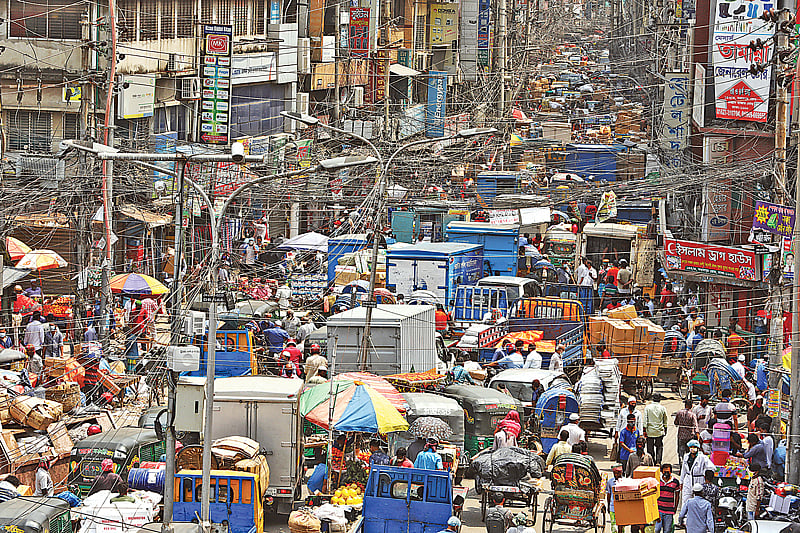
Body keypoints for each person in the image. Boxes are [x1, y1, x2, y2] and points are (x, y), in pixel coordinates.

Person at [679, 440, 715, 514]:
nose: (693, 448)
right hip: (688, 480)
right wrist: (681, 482)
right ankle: (684, 518)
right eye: (691, 447)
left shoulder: (702, 457)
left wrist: (705, 475)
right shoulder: (686, 457)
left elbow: (712, 468)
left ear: (698, 448)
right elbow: (683, 470)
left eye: (694, 447)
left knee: (698, 501)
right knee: (686, 499)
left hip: (699, 480)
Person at [674, 399, 699, 469]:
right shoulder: (692, 415)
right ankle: (688, 467)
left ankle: (682, 467)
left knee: (681, 453)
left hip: (681, 436)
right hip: (689, 437)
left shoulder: (679, 413)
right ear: (691, 406)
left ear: (685, 405)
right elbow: (695, 426)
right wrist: (697, 435)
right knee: (689, 453)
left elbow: (676, 422)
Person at [656, 463, 680, 533]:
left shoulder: (675, 482)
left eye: (668, 472)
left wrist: (675, 507)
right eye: (664, 472)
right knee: (657, 529)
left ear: (671, 472)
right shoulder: (657, 480)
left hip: (669, 510)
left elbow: (677, 495)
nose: (666, 473)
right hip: (659, 509)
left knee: (667, 531)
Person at [643, 394, 668, 464]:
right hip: (659, 431)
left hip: (650, 431)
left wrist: (644, 430)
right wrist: (665, 428)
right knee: (659, 446)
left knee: (650, 448)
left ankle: (651, 461)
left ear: (652, 399)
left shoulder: (647, 408)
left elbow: (645, 420)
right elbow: (665, 419)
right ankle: (658, 461)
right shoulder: (662, 408)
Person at [607, 466, 623, 533]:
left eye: (618, 473)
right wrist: (608, 506)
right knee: (614, 528)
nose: (616, 475)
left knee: (622, 527)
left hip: (622, 508)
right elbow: (609, 494)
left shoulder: (625, 481)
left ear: (621, 472)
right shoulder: (610, 482)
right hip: (612, 507)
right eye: (615, 473)